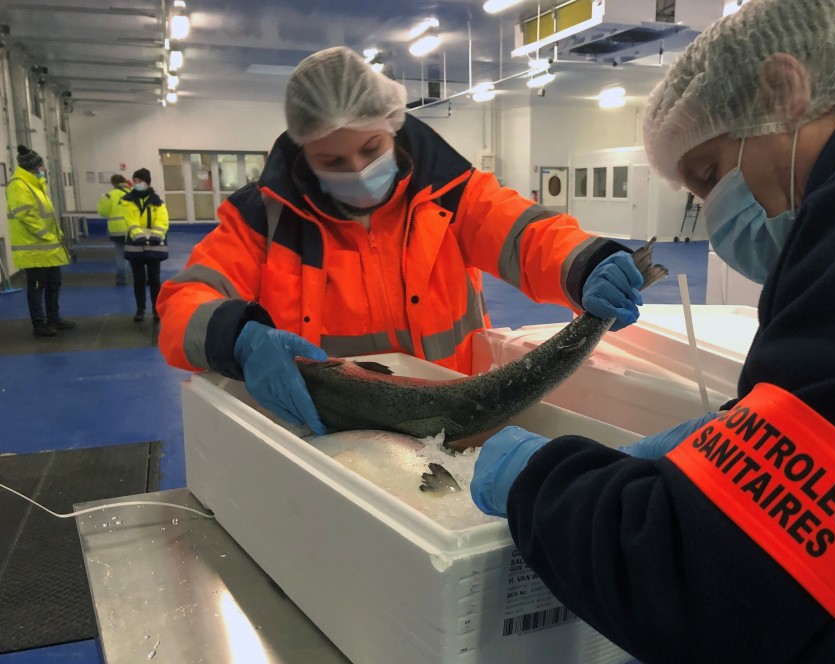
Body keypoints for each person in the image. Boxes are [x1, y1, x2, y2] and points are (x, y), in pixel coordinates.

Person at [470, 0, 835, 664]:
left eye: (708, 175)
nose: (712, 215)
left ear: (784, 91)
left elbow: (705, 590)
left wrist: (539, 477)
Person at [156, 46, 645, 434]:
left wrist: (585, 264)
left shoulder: (452, 196)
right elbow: (185, 302)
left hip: (451, 423)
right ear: (304, 154)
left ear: (393, 126)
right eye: (333, 161)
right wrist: (236, 336)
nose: (358, 171)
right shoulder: (263, 221)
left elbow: (526, 236)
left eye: (371, 149)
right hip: (325, 432)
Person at [5, 145, 75, 337]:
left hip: (49, 249)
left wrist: (56, 236)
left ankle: (54, 319)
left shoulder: (36, 185)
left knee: (54, 284)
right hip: (34, 249)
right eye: (42, 166)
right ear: (33, 167)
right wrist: (46, 234)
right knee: (36, 288)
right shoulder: (18, 185)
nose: (43, 169)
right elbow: (26, 216)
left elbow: (47, 215)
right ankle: (39, 324)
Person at [115, 168, 169, 322]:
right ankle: (140, 309)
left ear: (147, 182)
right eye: (135, 181)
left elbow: (162, 220)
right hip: (135, 246)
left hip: (154, 245)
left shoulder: (157, 202)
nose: (137, 184)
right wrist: (138, 235)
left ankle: (156, 310)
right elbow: (130, 220)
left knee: (154, 280)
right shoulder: (127, 200)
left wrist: (156, 236)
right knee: (138, 280)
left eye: (140, 181)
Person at [97, 173, 132, 286]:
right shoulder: (132, 193)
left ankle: (121, 280)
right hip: (132, 229)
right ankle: (144, 278)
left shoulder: (108, 196)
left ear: (113, 184)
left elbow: (103, 212)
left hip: (116, 230)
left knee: (120, 254)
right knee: (138, 255)